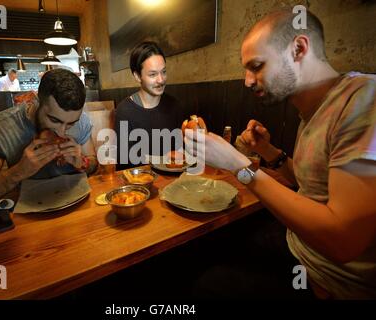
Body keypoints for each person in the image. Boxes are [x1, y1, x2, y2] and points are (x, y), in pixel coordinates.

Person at [185, 8, 376, 299]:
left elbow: (343, 240)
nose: (247, 81)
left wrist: (239, 165)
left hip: (326, 281)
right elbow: (312, 186)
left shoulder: (364, 99)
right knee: (208, 249)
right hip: (297, 244)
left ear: (299, 49)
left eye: (257, 66)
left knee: (206, 285)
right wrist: (268, 151)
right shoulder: (312, 111)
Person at [0, 68, 98, 207]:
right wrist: (18, 172)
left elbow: (93, 162)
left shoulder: (82, 121)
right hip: (27, 207)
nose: (62, 132)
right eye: (54, 120)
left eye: (71, 124)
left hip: (77, 203)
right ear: (36, 100)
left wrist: (82, 163)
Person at [114, 41, 186, 169]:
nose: (161, 80)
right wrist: (162, 159)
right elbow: (124, 158)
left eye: (163, 72)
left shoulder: (174, 105)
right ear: (137, 76)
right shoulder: (125, 110)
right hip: (139, 181)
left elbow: (181, 148)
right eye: (153, 74)